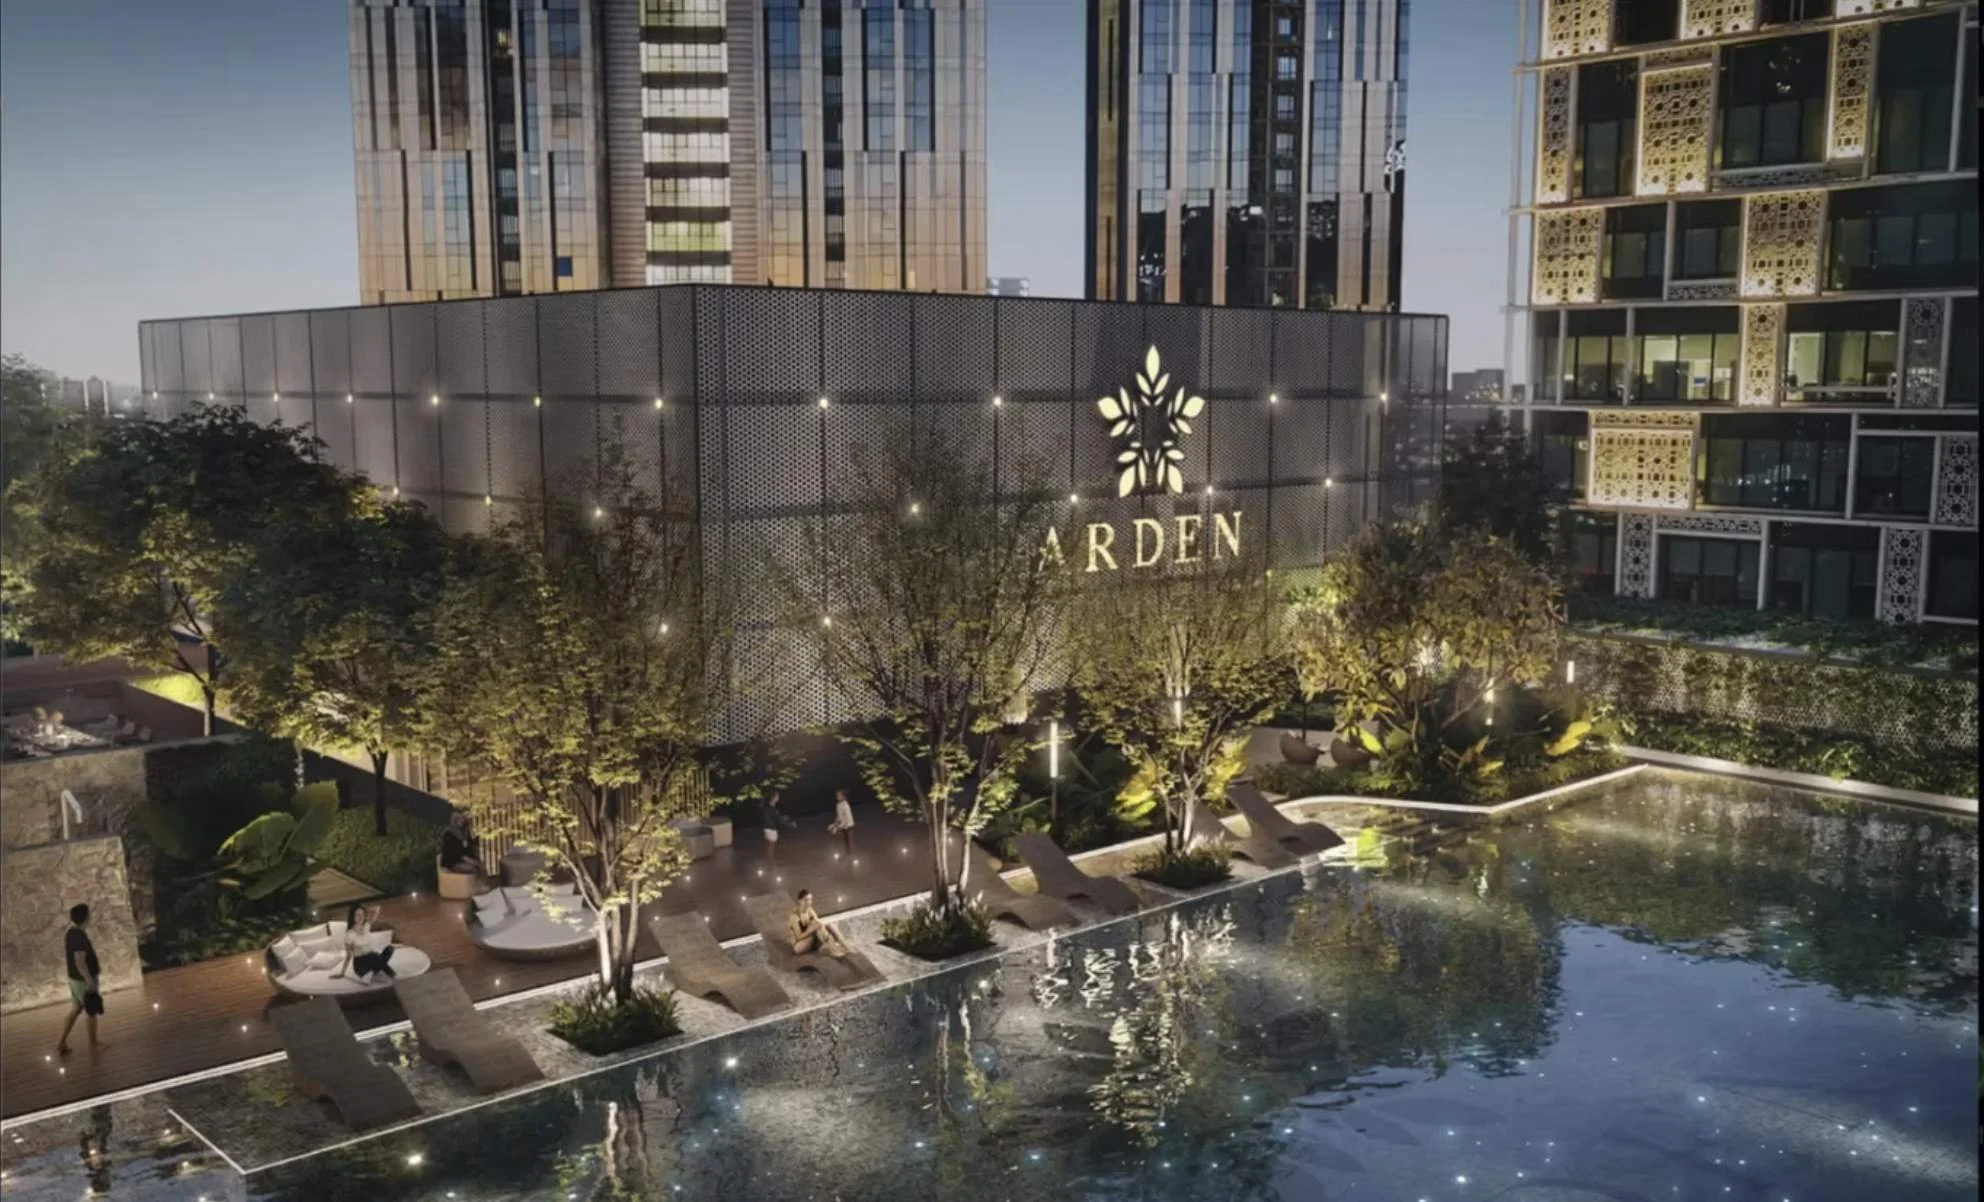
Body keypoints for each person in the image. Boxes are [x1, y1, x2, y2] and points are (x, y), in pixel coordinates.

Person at [57, 903, 105, 1056]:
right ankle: (94, 1044)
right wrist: (89, 980)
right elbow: (80, 961)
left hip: (74, 979)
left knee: (76, 1009)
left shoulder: (71, 932)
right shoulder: (78, 936)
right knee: (91, 1011)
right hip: (81, 981)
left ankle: (62, 1042)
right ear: (86, 917)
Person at [333, 903, 396, 983]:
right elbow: (348, 956)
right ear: (353, 917)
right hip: (360, 964)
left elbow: (377, 908)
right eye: (357, 915)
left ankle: (377, 969)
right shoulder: (349, 934)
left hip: (373, 959)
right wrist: (342, 973)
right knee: (374, 956)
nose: (360, 917)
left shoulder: (367, 925)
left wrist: (364, 909)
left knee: (390, 949)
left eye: (362, 915)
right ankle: (393, 975)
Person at [786, 890, 847, 957]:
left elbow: (819, 924)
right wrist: (811, 929)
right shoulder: (794, 916)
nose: (808, 902)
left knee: (829, 925)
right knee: (817, 927)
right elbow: (799, 937)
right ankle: (833, 949)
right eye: (805, 900)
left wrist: (819, 928)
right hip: (799, 946)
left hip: (811, 941)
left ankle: (844, 944)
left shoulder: (810, 910)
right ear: (799, 901)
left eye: (810, 900)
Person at [440, 810, 482, 876]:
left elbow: (473, 843)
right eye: (459, 819)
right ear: (454, 821)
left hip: (465, 859)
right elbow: (457, 853)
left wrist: (471, 827)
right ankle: (480, 885)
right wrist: (471, 861)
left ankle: (489, 885)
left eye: (462, 818)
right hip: (453, 862)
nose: (462, 821)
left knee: (482, 867)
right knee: (474, 869)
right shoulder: (449, 834)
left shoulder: (464, 832)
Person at [826, 789, 856, 854]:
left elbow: (846, 819)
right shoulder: (838, 805)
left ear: (844, 796)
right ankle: (847, 853)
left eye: (839, 795)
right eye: (837, 795)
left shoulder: (846, 806)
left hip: (849, 826)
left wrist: (838, 828)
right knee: (845, 841)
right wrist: (833, 825)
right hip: (843, 825)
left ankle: (851, 855)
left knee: (849, 842)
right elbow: (839, 816)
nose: (837, 796)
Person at [761, 792, 788, 864]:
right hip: (771, 829)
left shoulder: (767, 807)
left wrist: (781, 818)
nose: (778, 798)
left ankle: (767, 860)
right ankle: (770, 861)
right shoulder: (771, 808)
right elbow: (777, 819)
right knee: (771, 846)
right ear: (773, 798)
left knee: (768, 845)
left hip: (766, 829)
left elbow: (774, 817)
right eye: (777, 797)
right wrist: (783, 820)